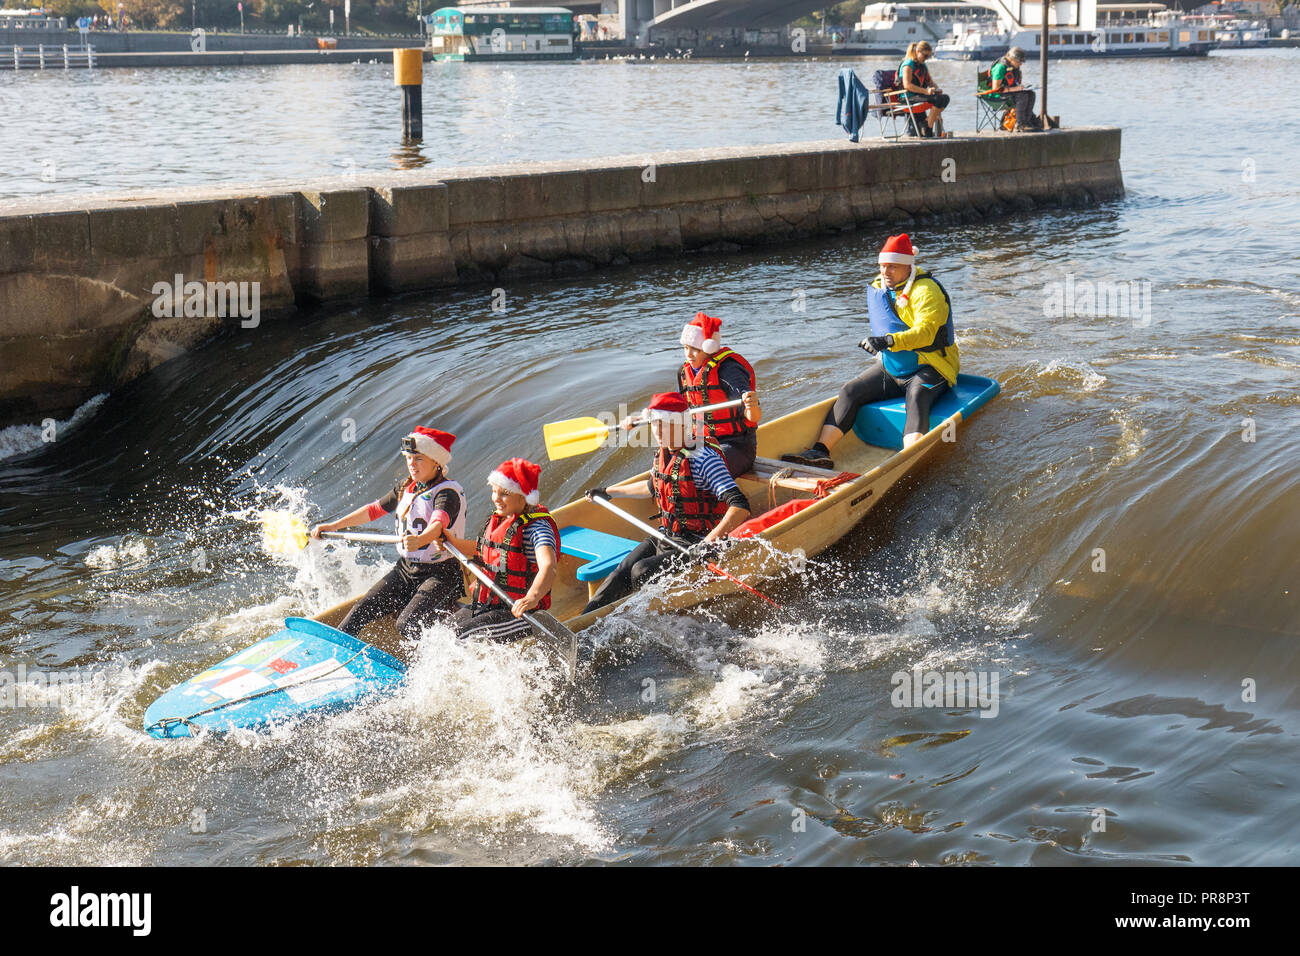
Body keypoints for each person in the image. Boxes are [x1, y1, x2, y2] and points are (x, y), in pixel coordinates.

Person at [783, 233, 960, 468]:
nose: (885, 272)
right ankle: (819, 452)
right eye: (882, 266)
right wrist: (881, 344)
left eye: (892, 267)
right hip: (893, 366)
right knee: (850, 390)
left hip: (931, 367)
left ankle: (909, 460)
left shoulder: (926, 291)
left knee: (916, 397)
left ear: (908, 266)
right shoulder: (881, 285)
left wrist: (887, 341)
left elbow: (926, 333)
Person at [581, 392, 751, 614]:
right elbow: (652, 486)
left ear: (681, 425)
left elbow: (740, 505)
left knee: (641, 571)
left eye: (664, 425)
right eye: (654, 425)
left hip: (698, 544)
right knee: (620, 572)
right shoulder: (665, 453)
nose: (657, 432)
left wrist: (707, 543)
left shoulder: (704, 459)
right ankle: (585, 622)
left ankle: (646, 617)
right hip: (668, 536)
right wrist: (608, 492)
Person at [311, 426, 466, 641]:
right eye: (409, 458)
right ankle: (335, 652)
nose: (412, 463)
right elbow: (373, 510)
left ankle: (430, 656)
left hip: (441, 574)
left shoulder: (448, 493)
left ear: (436, 461)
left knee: (407, 625)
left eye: (419, 458)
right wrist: (334, 525)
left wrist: (420, 540)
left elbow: (438, 524)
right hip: (406, 570)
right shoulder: (406, 488)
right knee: (359, 612)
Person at [436, 458, 559, 642]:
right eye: (494, 491)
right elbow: (484, 551)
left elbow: (549, 566)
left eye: (504, 493)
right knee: (442, 631)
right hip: (491, 603)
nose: (496, 498)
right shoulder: (503, 519)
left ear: (523, 496)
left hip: (521, 612)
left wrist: (531, 598)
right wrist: (452, 542)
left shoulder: (537, 529)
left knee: (458, 637)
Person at [675, 311, 762, 477]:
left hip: (736, 444)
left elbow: (754, 417)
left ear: (708, 348)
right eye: (686, 348)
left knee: (702, 473)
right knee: (670, 467)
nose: (689, 354)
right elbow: (675, 405)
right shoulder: (684, 372)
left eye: (695, 349)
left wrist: (752, 404)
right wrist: (647, 414)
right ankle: (609, 493)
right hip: (701, 442)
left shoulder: (728, 370)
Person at [983, 46, 1041, 132]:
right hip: (995, 96)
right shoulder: (1000, 67)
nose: (1021, 64)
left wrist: (1021, 87)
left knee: (1031, 94)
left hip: (1008, 92)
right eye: (1019, 61)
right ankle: (1020, 124)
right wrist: (1016, 89)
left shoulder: (1013, 66)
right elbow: (996, 89)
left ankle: (1026, 122)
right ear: (1012, 59)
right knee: (1022, 96)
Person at [897, 41, 949, 137]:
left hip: (919, 96)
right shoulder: (908, 65)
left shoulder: (923, 65)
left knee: (945, 98)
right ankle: (928, 128)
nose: (926, 59)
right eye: (925, 56)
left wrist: (936, 89)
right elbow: (907, 85)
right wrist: (926, 91)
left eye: (928, 57)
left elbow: (930, 82)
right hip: (908, 98)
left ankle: (927, 123)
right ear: (917, 51)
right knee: (937, 100)